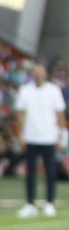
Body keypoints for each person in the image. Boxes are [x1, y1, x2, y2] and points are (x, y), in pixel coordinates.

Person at [15, 63, 66, 218]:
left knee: (50, 171)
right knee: (30, 172)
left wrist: (61, 135)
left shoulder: (53, 90)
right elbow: (21, 114)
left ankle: (49, 203)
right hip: (31, 136)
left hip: (49, 137)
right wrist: (21, 134)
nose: (38, 75)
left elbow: (60, 114)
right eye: (35, 72)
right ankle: (30, 204)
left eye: (40, 72)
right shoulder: (25, 90)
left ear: (45, 74)